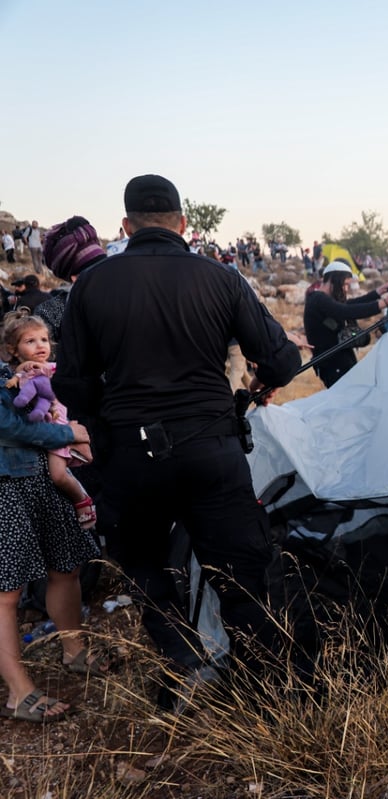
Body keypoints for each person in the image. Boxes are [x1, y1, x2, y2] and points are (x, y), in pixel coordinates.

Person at [53, 174, 304, 705]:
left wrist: (105, 429)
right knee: (241, 575)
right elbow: (282, 357)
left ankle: (182, 663)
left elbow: (72, 383)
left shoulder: (92, 285)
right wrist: (262, 381)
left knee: (147, 570)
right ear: (184, 224)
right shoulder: (221, 277)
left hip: (129, 458)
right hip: (212, 450)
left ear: (125, 226)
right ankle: (260, 690)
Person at [0, 356, 100, 722]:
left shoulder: (9, 365)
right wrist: (69, 433)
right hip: (5, 485)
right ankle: (18, 692)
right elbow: (8, 427)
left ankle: (74, 650)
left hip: (39, 474)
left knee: (66, 565)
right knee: (6, 593)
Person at [2, 311, 96, 529]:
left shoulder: (54, 369)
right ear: (13, 350)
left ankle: (82, 501)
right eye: (31, 341)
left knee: (59, 475)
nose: (40, 346)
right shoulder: (13, 375)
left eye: (44, 340)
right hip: (39, 444)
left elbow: (48, 374)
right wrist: (21, 371)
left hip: (57, 430)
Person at [303, 262, 388, 388]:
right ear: (335, 280)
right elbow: (345, 311)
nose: (346, 289)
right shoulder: (318, 299)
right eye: (345, 284)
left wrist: (377, 292)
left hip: (340, 362)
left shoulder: (324, 299)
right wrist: (384, 303)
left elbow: (349, 305)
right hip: (332, 365)